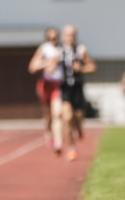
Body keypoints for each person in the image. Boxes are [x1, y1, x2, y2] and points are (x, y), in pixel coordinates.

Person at [58, 24, 96, 161]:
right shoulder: (58, 51)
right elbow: (48, 67)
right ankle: (71, 148)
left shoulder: (81, 50)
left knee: (78, 117)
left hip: (77, 88)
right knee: (67, 118)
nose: (69, 37)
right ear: (63, 36)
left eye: (72, 35)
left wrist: (81, 68)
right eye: (67, 34)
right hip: (64, 88)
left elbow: (92, 67)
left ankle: (79, 128)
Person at [28, 27, 63, 155]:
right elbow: (32, 67)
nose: (52, 40)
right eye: (50, 38)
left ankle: (58, 143)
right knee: (48, 115)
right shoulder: (44, 48)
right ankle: (48, 131)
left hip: (57, 85)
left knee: (57, 114)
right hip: (45, 85)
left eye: (55, 37)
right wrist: (47, 62)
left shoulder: (62, 50)